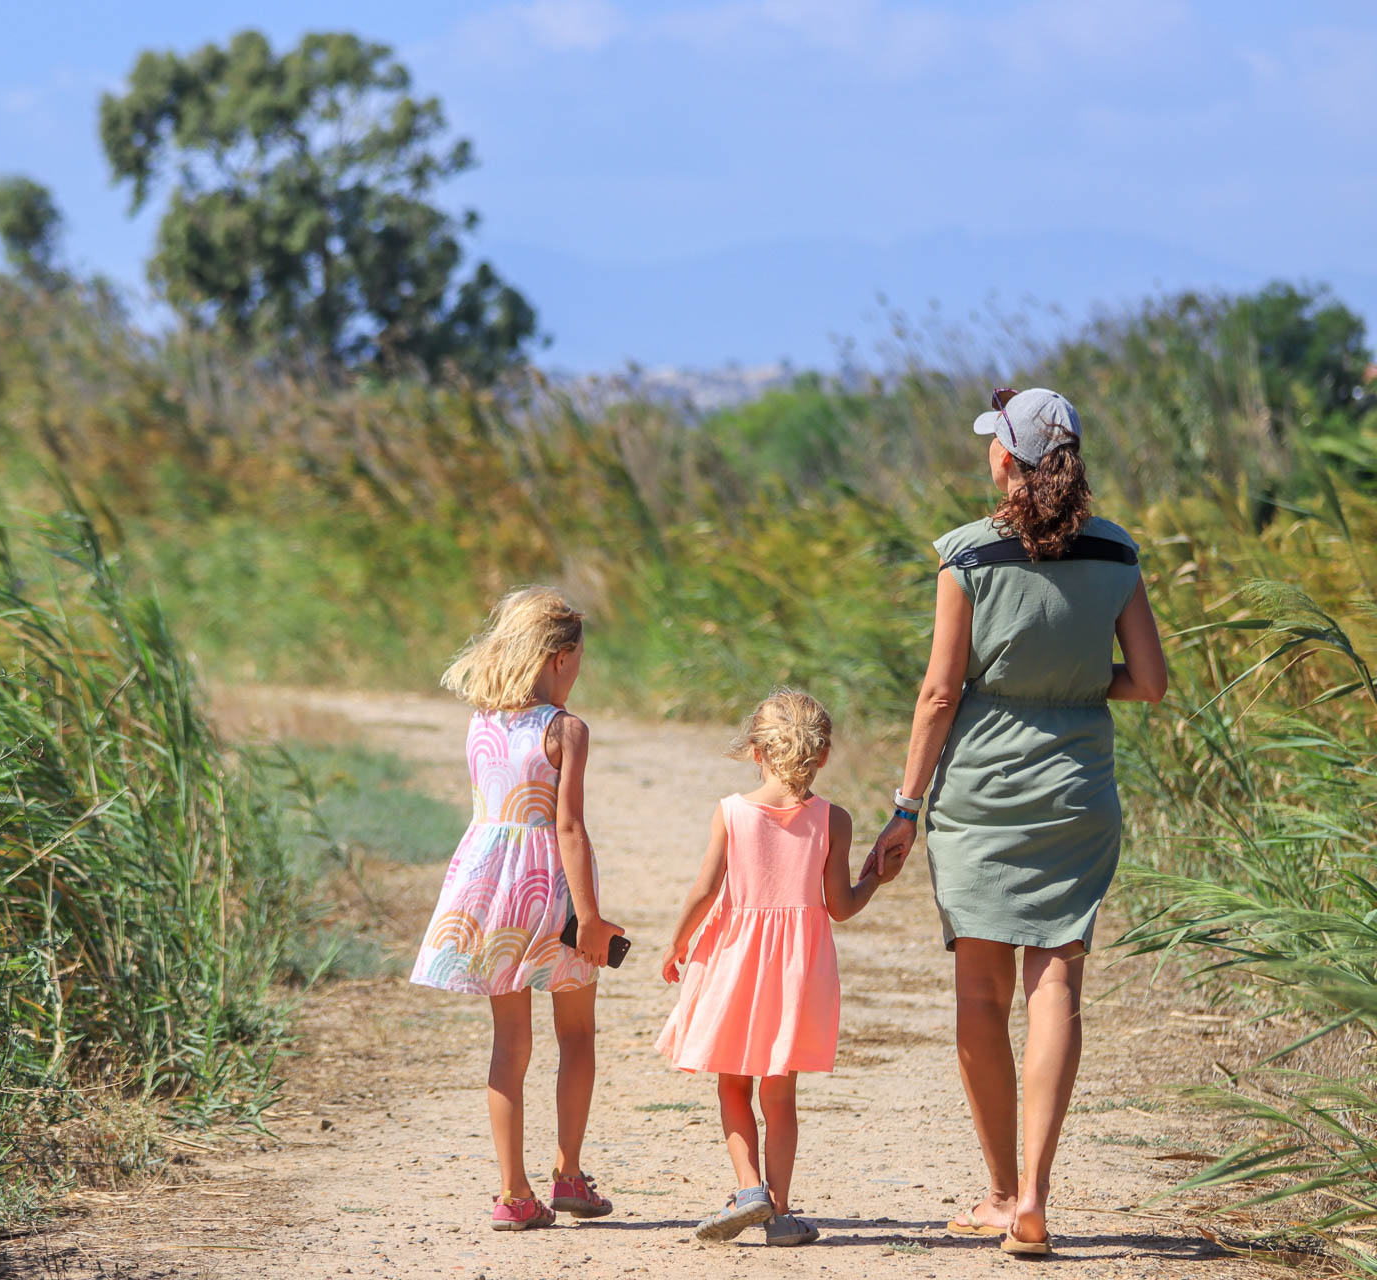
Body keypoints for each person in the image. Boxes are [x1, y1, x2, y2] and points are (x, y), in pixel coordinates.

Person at [870, 388, 1168, 1258]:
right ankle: (1036, 1195)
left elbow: (938, 693)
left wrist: (904, 809)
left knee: (981, 992)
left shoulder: (970, 554)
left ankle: (1000, 1191)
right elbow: (1149, 681)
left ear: (1004, 459)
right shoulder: (1116, 551)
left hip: (981, 794)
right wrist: (1072, 685)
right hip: (1078, 789)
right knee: (1057, 983)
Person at [411, 586, 625, 1232]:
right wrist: (588, 918)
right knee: (577, 1035)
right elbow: (568, 831)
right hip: (552, 894)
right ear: (559, 657)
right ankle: (568, 1174)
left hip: (490, 890)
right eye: (578, 660)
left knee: (510, 1045)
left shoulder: (482, 720)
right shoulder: (567, 730)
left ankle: (513, 1194)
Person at [655, 689, 881, 1247]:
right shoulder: (835, 819)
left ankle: (749, 1189)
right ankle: (778, 1216)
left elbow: (706, 890)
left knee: (733, 1087)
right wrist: (877, 875)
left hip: (734, 963)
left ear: (755, 750)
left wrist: (676, 944)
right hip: (795, 975)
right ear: (823, 754)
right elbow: (841, 907)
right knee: (780, 1099)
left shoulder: (732, 812)